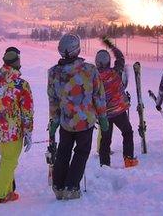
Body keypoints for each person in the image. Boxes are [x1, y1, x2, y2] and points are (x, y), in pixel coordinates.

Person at [48, 33, 108, 200]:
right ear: (77, 50)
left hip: (66, 121)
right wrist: (103, 117)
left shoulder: (53, 73)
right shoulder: (89, 70)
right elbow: (98, 95)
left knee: (63, 151)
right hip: (85, 121)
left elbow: (53, 99)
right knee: (81, 152)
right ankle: (72, 187)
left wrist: (54, 120)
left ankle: (58, 186)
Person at [0, 47, 34, 204]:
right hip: (13, 131)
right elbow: (27, 111)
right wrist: (28, 132)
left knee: (5, 159)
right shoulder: (21, 85)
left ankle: (8, 191)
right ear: (18, 62)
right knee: (10, 161)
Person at [96, 38, 138, 168]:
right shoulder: (116, 72)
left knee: (105, 140)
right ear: (109, 61)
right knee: (127, 132)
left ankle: (104, 165)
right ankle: (128, 159)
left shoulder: (94, 78)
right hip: (119, 111)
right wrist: (111, 46)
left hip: (104, 114)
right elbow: (120, 57)